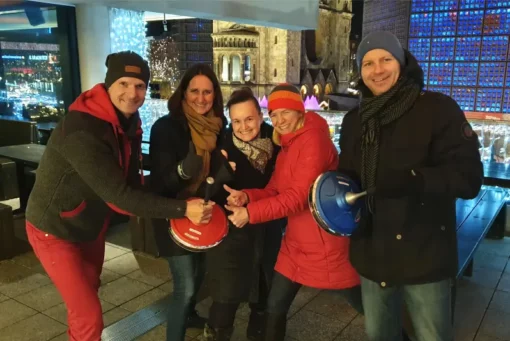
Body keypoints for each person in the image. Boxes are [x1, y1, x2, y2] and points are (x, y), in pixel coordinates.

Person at [24, 51, 213, 341]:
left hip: (89, 225)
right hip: (53, 229)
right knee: (89, 315)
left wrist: (180, 174)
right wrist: (182, 208)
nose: (132, 93)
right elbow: (121, 197)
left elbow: (131, 181)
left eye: (139, 86)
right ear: (108, 84)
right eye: (124, 83)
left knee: (85, 302)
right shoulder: (82, 129)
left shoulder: (128, 123)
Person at [337, 31, 483, 341]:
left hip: (424, 254)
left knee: (432, 336)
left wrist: (415, 180)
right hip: (373, 253)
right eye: (368, 63)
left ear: (402, 63)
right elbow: (347, 179)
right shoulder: (354, 120)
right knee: (380, 336)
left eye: (386, 59)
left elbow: (469, 178)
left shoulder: (438, 109)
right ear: (360, 71)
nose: (377, 70)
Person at [225, 84, 362, 341]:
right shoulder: (288, 144)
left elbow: (297, 198)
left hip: (323, 245)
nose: (278, 120)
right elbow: (276, 187)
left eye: (285, 112)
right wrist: (247, 196)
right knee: (275, 307)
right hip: (296, 244)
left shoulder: (313, 140)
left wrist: (250, 213)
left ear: (299, 110)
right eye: (273, 114)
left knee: (365, 304)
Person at [149, 63, 231, 341]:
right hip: (174, 215)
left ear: (215, 95)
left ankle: (190, 313)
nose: (201, 98)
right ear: (183, 93)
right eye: (194, 91)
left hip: (206, 216)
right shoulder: (166, 128)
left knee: (200, 275)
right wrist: (184, 170)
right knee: (185, 287)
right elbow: (159, 184)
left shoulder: (220, 127)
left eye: (207, 92)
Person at [203, 88, 284, 341]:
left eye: (249, 119)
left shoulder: (279, 142)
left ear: (260, 116)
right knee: (225, 300)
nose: (243, 127)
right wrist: (223, 172)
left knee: (263, 295)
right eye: (236, 121)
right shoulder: (223, 147)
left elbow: (284, 188)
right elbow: (208, 193)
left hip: (268, 231)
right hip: (233, 236)